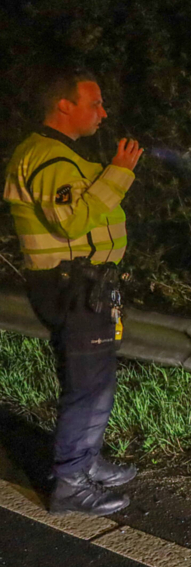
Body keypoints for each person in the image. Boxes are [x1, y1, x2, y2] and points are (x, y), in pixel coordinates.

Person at [2, 68, 144, 516]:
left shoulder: (60, 157)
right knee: (88, 386)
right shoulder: (50, 158)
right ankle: (69, 484)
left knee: (93, 381)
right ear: (64, 105)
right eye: (94, 103)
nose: (103, 113)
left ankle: (85, 462)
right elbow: (70, 221)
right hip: (74, 286)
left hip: (84, 287)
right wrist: (119, 173)